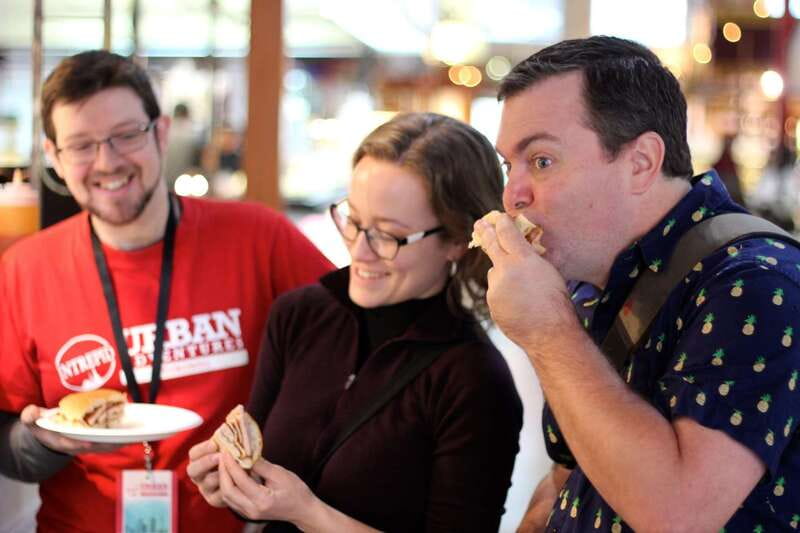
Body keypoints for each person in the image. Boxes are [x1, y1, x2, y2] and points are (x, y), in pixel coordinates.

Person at [472, 36, 800, 532]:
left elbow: (679, 514)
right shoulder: (598, 278)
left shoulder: (756, 283)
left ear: (642, 162)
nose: (511, 194)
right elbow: (575, 470)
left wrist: (546, 331)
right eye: (508, 164)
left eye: (540, 160)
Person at [0, 50, 332, 533]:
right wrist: (41, 444)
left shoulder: (258, 237)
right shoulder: (24, 271)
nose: (107, 162)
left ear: (159, 132)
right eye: (82, 145)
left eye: (126, 135)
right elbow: (7, 441)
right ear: (54, 156)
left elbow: (351, 342)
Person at [187, 112, 524, 532]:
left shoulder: (474, 378)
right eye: (354, 221)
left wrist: (308, 513)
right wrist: (233, 485)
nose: (359, 251)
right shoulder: (299, 315)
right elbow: (259, 475)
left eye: (387, 234)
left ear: (457, 239)